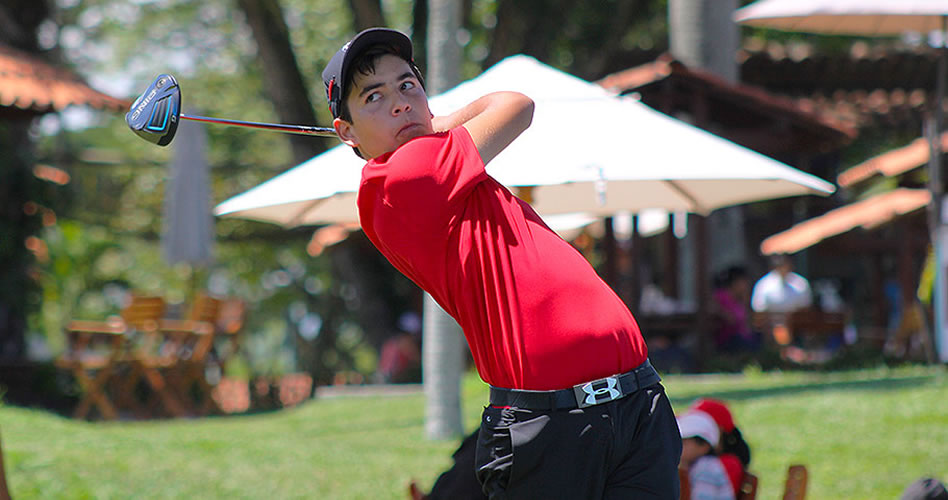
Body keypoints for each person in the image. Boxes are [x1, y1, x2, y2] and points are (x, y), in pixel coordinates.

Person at [322, 28, 681, 499]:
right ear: (346, 132)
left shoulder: (444, 170)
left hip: (636, 400)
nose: (400, 104)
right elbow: (515, 105)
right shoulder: (402, 177)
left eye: (407, 85)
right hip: (553, 423)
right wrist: (443, 120)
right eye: (374, 97)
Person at [677, 410, 736, 500]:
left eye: (684, 442)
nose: (679, 446)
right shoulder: (694, 465)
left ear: (704, 446)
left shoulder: (706, 467)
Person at [711, 266, 758, 353]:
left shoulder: (739, 300)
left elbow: (747, 326)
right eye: (744, 282)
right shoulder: (721, 296)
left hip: (741, 338)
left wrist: (746, 303)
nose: (747, 286)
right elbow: (731, 320)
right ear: (735, 282)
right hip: (728, 341)